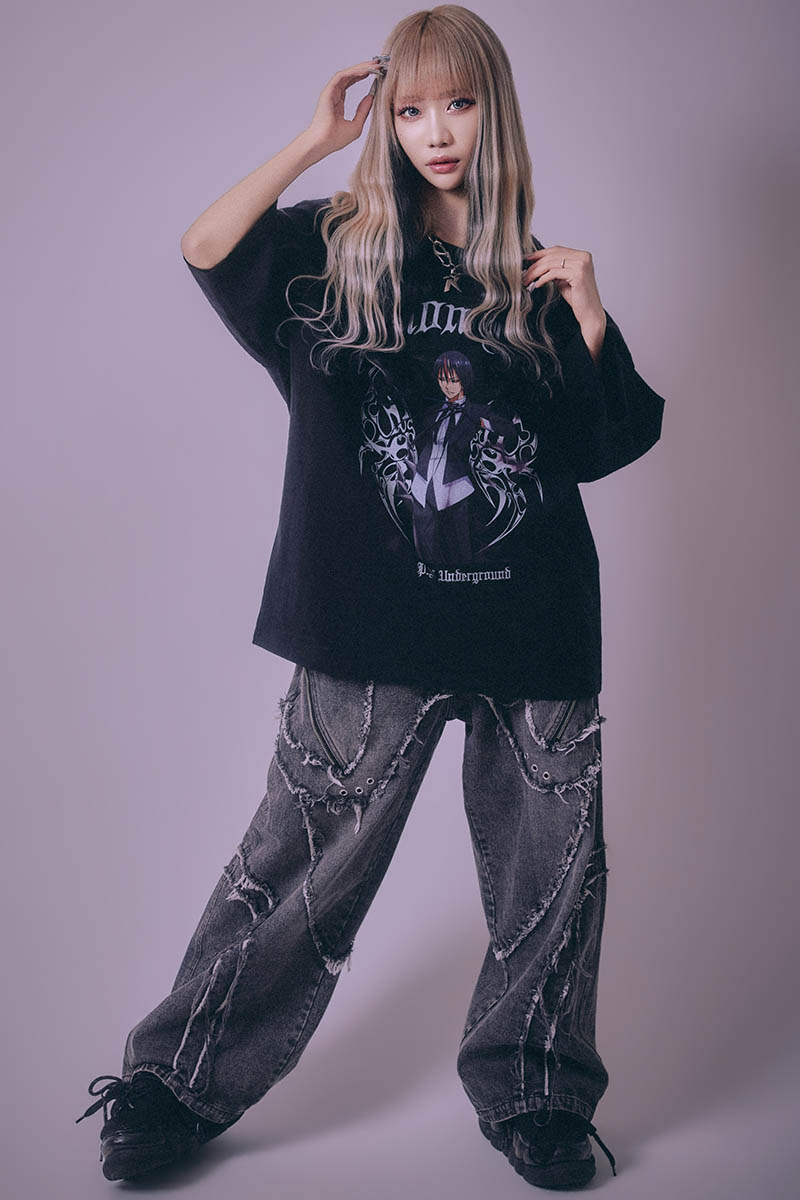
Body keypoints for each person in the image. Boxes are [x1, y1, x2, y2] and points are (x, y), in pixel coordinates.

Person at [75, 5, 665, 1190]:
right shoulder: (331, 253)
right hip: (365, 623)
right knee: (291, 868)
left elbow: (605, 444)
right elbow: (205, 247)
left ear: (494, 113)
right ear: (385, 123)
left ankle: (539, 1096)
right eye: (411, 109)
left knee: (551, 879)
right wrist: (313, 142)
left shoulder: (532, 279)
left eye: (459, 104)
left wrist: (591, 316)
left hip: (532, 621)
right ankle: (173, 1083)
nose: (436, 131)